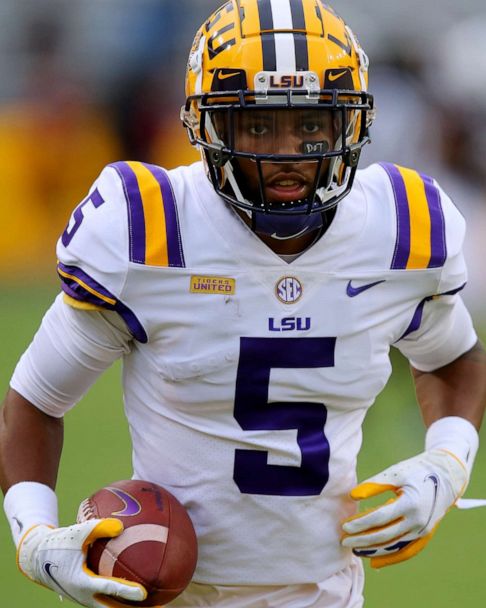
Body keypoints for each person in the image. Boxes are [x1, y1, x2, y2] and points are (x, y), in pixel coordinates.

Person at [1, 1, 485, 607]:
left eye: (310, 124)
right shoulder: (148, 233)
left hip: (325, 595)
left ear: (350, 124)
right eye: (258, 126)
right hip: (169, 595)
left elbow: (452, 358)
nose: (286, 151)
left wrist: (445, 462)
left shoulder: (398, 229)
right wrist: (35, 533)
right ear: (206, 126)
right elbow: (36, 399)